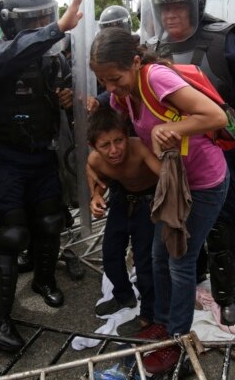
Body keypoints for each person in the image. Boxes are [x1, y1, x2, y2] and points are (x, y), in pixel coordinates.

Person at [90, 26, 229, 374]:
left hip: (203, 183)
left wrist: (173, 130)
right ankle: (164, 324)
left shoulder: (155, 78)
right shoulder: (124, 96)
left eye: (114, 78)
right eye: (103, 81)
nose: (110, 88)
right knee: (156, 254)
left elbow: (216, 117)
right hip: (173, 184)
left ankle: (178, 340)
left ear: (136, 62)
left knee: (180, 260)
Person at [146, 0, 235, 325]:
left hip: (218, 152)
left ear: (197, 4)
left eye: (179, 6)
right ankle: (190, 279)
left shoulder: (225, 37)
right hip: (173, 158)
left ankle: (229, 292)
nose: (172, 15)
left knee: (221, 225)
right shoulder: (154, 48)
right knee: (177, 221)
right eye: (165, 8)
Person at [0, 0, 86, 349]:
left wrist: (68, 99)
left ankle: (43, 280)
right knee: (11, 234)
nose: (42, 25)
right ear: (9, 23)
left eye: (46, 18)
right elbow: (8, 61)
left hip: (43, 156)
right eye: (33, 21)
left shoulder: (52, 59)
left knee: (50, 222)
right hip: (7, 158)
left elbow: (68, 97)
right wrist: (54, 29)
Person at [87, 106, 160, 336]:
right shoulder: (95, 159)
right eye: (105, 145)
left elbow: (166, 175)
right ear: (94, 147)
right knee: (110, 254)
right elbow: (94, 172)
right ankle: (124, 295)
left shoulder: (138, 149)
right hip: (121, 200)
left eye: (119, 140)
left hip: (149, 202)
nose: (114, 150)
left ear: (126, 134)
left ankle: (149, 314)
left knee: (145, 262)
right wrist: (96, 195)